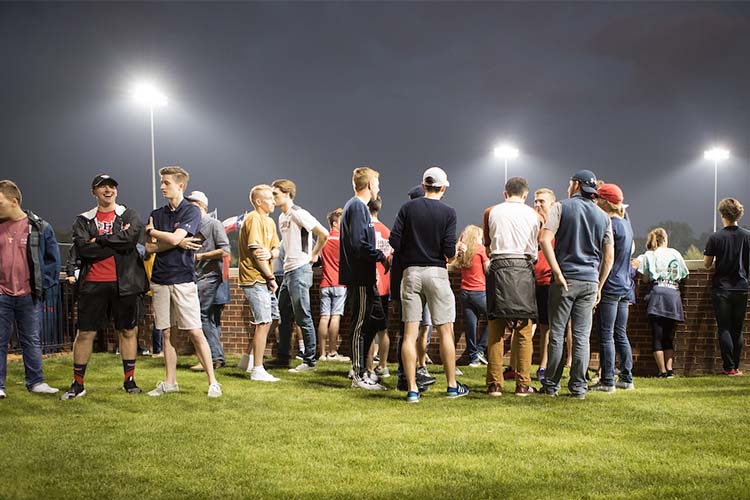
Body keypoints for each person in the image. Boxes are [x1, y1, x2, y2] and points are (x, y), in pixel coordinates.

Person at [60, 174, 149, 399]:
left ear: (116, 191)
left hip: (125, 283)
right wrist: (116, 241)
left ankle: (129, 381)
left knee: (128, 331)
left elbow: (131, 239)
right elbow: (83, 249)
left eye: (111, 186)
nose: (107, 190)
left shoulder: (128, 214)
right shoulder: (83, 219)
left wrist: (99, 240)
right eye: (102, 187)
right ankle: (78, 383)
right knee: (85, 332)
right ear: (94, 192)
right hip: (92, 284)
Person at [390, 166, 468, 402]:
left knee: (409, 334)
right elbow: (448, 251)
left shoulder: (407, 208)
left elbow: (394, 240)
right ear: (442, 188)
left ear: (423, 185)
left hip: (411, 272)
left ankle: (413, 389)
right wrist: (456, 253)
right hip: (436, 272)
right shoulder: (449, 212)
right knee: (446, 330)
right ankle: (452, 385)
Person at [144, 166, 221, 398]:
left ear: (180, 185)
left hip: (183, 279)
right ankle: (170, 382)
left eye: (166, 182)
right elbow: (149, 247)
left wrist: (156, 233)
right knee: (167, 333)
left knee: (195, 331)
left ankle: (213, 382)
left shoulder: (192, 211)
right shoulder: (157, 213)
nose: (162, 186)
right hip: (160, 279)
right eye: (161, 182)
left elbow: (174, 237)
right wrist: (176, 241)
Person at [539, 170, 613, 399]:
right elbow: (609, 255)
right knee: (582, 336)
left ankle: (551, 385)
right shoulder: (603, 216)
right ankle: (578, 388)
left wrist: (557, 272)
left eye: (571, 183)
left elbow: (544, 239)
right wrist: (599, 285)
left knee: (557, 333)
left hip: (565, 280)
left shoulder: (561, 207)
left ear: (577, 185)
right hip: (590, 281)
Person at [0, 180, 60, 399]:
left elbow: (53, 261)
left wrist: (41, 286)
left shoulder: (40, 227)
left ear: (14, 201)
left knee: (31, 340)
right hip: (2, 294)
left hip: (29, 295)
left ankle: (36, 382)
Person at [482, 176, 540, 397]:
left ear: (505, 193)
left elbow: (488, 246)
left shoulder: (492, 211)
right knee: (524, 330)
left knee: (495, 329)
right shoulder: (533, 215)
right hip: (523, 267)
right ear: (526, 195)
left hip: (499, 267)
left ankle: (494, 384)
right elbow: (534, 249)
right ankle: (523, 385)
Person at [339, 166, 389, 390]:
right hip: (359, 276)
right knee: (360, 324)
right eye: (377, 183)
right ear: (369, 185)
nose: (379, 187)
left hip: (364, 276)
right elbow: (360, 245)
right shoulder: (357, 207)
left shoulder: (358, 207)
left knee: (371, 321)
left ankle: (363, 371)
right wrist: (381, 256)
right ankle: (358, 375)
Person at [271, 179, 329, 373]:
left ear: (287, 194)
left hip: (300, 270)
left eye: (276, 194)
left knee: (303, 316)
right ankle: (283, 358)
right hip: (287, 271)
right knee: (283, 317)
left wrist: (314, 255)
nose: (273, 198)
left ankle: (310, 361)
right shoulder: (281, 217)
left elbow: (323, 233)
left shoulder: (298, 213)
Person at [589, 183, 635, 393]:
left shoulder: (610, 225)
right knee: (620, 333)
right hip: (625, 285)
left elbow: (605, 257)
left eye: (598, 199)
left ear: (605, 202)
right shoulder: (626, 224)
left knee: (606, 333)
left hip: (611, 284)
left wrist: (599, 285)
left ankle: (607, 380)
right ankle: (626, 377)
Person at [237, 184, 282, 382]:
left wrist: (272, 253)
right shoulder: (253, 219)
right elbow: (256, 253)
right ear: (258, 201)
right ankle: (257, 369)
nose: (274, 201)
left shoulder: (270, 222)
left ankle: (247, 359)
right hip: (254, 278)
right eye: (270, 198)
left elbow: (277, 249)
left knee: (272, 318)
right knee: (263, 322)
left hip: (265, 278)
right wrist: (270, 277)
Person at [703, 198, 750, 376]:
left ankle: (728, 367)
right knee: (737, 329)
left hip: (721, 289)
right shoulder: (747, 236)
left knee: (724, 327)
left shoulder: (715, 237)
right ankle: (736, 367)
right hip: (741, 287)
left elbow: (707, 264)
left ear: (722, 214)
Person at [185, 191, 231, 372]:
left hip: (209, 277)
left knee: (201, 317)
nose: (189, 207)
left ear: (202, 205)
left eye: (193, 204)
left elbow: (225, 250)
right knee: (207, 318)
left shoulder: (213, 224)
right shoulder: (190, 225)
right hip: (196, 277)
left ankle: (212, 358)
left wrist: (201, 256)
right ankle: (214, 357)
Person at [637, 227, 688, 378]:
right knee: (668, 335)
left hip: (657, 295)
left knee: (657, 335)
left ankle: (662, 371)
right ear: (665, 239)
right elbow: (685, 274)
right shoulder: (676, 253)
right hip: (673, 295)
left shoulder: (649, 255)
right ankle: (670, 370)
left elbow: (645, 279)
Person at [448, 225, 489, 367]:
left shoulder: (463, 252)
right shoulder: (481, 249)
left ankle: (473, 358)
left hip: (465, 293)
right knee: (495, 318)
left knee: (470, 326)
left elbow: (451, 266)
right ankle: (480, 349)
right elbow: (488, 269)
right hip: (479, 292)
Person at [318, 208, 349, 362]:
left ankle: (322, 353)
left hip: (324, 283)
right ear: (335, 223)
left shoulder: (323, 240)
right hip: (339, 283)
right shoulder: (342, 240)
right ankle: (332, 351)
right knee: (335, 317)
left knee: (324, 317)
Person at [367, 195, 392, 379]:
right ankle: (383, 365)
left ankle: (367, 367)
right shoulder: (386, 231)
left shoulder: (364, 229)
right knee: (383, 329)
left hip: (367, 283)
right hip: (384, 286)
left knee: (366, 328)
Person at [532, 188, 554, 381]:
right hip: (529, 282)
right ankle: (515, 366)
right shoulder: (531, 224)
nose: (537, 205)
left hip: (548, 283)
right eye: (536, 201)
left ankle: (543, 367)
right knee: (523, 326)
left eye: (542, 202)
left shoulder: (556, 227)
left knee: (546, 328)